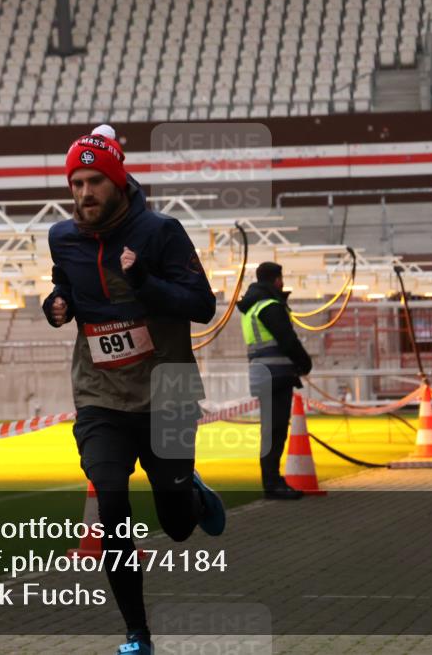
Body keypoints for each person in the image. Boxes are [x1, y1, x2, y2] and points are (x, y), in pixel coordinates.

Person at [43, 124, 225, 655]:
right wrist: (56, 305)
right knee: (111, 500)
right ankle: (136, 633)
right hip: (100, 395)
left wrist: (145, 282)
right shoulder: (61, 237)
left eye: (95, 181)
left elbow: (202, 305)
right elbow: (63, 282)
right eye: (76, 183)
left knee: (177, 525)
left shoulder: (161, 232)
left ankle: (188, 493)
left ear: (118, 181)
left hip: (167, 392)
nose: (84, 193)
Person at [236, 262, 313, 499]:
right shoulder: (269, 306)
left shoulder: (252, 307)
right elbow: (287, 340)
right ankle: (272, 483)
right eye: (281, 279)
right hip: (276, 374)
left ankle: (272, 481)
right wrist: (304, 362)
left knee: (272, 429)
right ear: (277, 280)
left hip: (263, 373)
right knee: (275, 430)